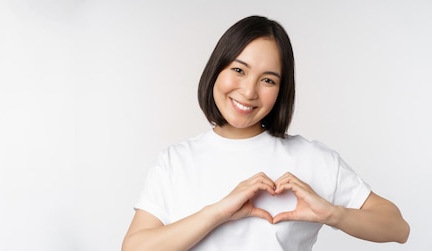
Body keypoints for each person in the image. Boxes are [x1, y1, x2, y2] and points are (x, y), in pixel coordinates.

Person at [122, 15, 409, 251]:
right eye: (238, 69)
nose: (248, 92)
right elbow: (133, 248)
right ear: (216, 70)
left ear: (281, 91)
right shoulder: (175, 161)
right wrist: (217, 212)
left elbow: (398, 228)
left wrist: (333, 214)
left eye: (268, 80)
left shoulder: (311, 159)